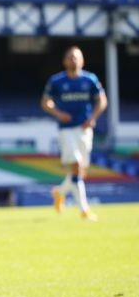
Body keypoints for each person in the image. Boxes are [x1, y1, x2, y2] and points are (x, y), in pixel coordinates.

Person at [41, 46, 107, 221]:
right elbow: (45, 102)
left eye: (76, 57)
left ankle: (59, 192)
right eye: (70, 57)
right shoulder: (56, 81)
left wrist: (93, 117)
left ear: (83, 61)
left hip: (85, 129)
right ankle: (84, 210)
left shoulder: (90, 80)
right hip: (67, 129)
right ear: (64, 61)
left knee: (80, 172)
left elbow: (102, 100)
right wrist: (58, 113)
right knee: (76, 166)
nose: (73, 60)